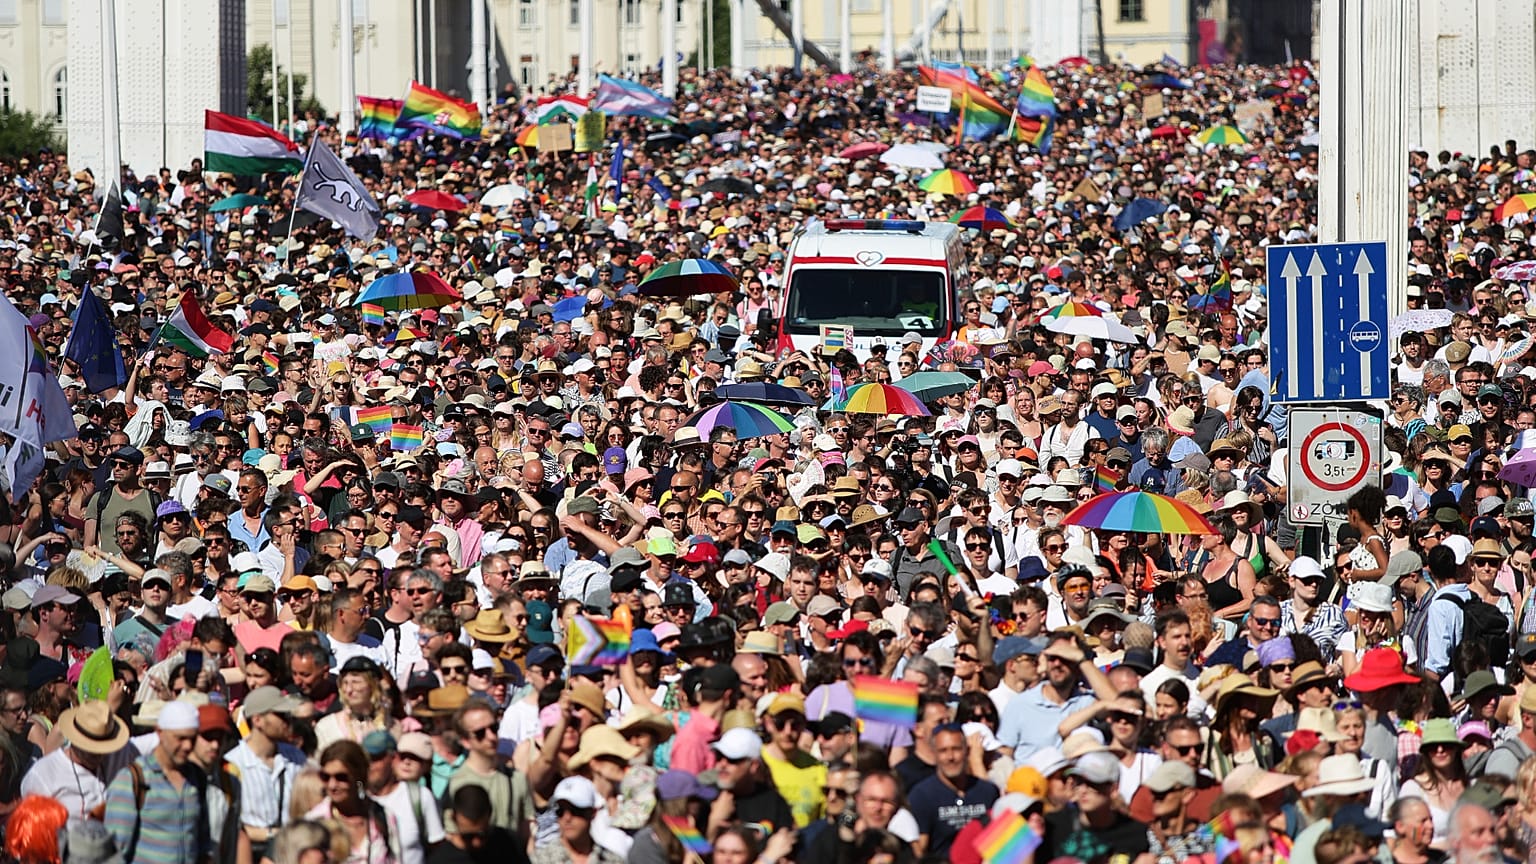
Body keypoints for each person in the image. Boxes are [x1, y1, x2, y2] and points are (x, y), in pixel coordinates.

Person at [104, 700, 210, 864]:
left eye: (192, 738)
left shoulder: (197, 778)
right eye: (180, 738)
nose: (188, 746)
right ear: (160, 733)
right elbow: (115, 852)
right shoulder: (133, 779)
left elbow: (202, 842)